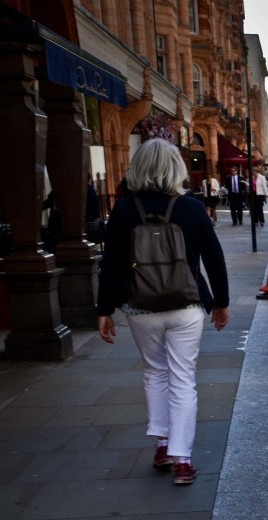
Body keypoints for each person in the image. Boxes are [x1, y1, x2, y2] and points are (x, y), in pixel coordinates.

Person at [96, 138, 230, 486]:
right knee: (183, 379)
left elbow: (111, 264)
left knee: (155, 372)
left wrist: (104, 309)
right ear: (176, 169)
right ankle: (183, 461)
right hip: (186, 305)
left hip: (141, 306)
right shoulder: (191, 208)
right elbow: (214, 257)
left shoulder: (124, 211)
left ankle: (162, 443)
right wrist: (220, 302)